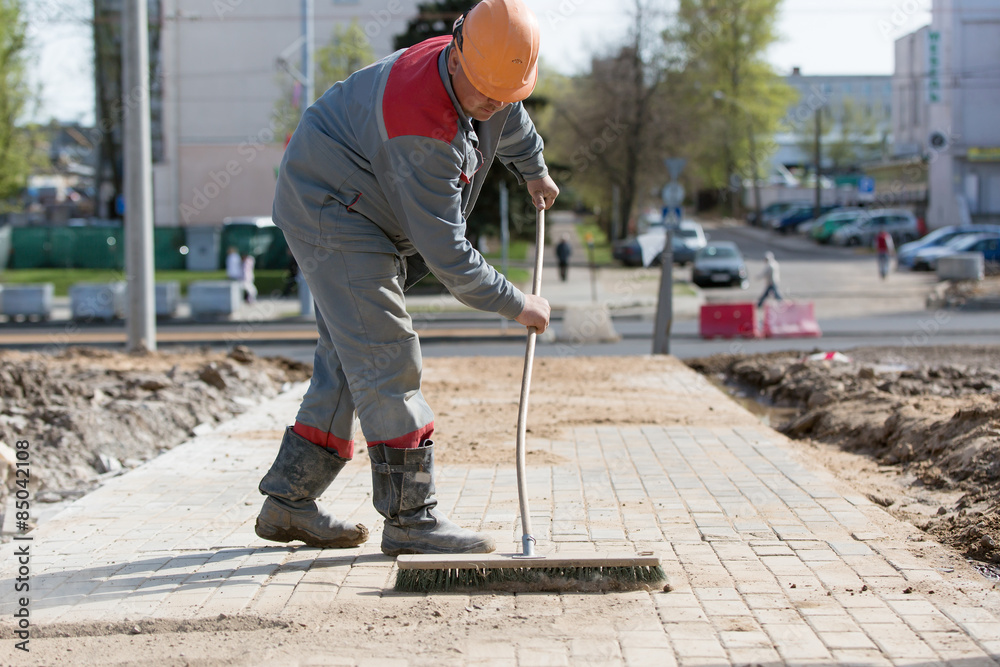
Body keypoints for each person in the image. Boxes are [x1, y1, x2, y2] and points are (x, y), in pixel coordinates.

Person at [255, 0, 558, 557]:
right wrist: (519, 304)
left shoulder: (482, 71)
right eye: (485, 92)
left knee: (352, 356)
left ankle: (288, 501)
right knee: (386, 353)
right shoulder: (421, 128)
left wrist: (533, 167)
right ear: (458, 51)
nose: (492, 105)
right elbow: (448, 255)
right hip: (333, 207)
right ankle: (411, 520)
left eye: (506, 93)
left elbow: (507, 113)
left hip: (358, 198)